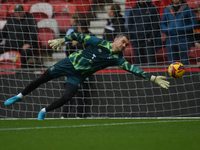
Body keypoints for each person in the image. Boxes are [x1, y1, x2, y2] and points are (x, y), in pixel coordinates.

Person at [4, 33, 170, 120]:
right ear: (116, 39)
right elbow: (77, 35)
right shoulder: (98, 42)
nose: (124, 45)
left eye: (126, 44)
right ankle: (19, 96)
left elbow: (133, 69)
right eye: (123, 42)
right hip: (68, 63)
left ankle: (43, 111)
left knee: (68, 96)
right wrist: (63, 40)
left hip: (78, 76)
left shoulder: (118, 59)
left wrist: (153, 78)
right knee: (41, 79)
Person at [63, 20, 95, 118]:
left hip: (85, 68)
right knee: (68, 92)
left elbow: (93, 54)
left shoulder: (91, 36)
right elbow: (67, 51)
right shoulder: (73, 35)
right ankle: (65, 115)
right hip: (72, 67)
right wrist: (73, 45)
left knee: (82, 94)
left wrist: (82, 44)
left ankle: (80, 115)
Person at [160, 0, 198, 65]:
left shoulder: (187, 9)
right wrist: (168, 29)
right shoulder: (167, 9)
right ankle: (172, 75)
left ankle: (186, 75)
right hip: (170, 39)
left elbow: (194, 24)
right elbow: (162, 24)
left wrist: (182, 28)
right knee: (172, 63)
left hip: (183, 38)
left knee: (184, 62)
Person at [128, 0, 162, 65]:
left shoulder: (152, 8)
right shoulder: (134, 9)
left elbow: (156, 25)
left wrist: (151, 38)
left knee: (150, 62)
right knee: (138, 63)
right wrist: (131, 37)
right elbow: (130, 24)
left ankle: (151, 75)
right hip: (136, 40)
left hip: (148, 40)